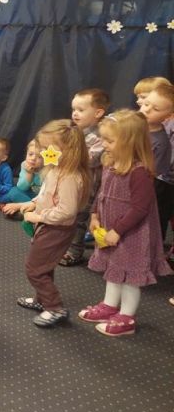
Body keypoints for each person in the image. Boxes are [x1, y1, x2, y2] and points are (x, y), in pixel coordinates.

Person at [79, 110, 171, 336]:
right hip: (110, 228)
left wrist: (118, 231)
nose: (104, 144)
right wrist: (94, 215)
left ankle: (127, 317)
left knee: (130, 277)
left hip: (131, 233)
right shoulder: (110, 162)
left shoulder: (139, 172)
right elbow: (102, 193)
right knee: (113, 269)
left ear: (130, 143)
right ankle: (110, 305)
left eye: (110, 141)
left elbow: (140, 209)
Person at [4, 120, 90, 327]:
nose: (42, 152)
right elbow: (47, 195)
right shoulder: (55, 170)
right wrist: (33, 203)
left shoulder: (69, 177)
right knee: (44, 266)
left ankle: (55, 307)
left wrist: (39, 217)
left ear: (65, 150)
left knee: (34, 269)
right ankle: (42, 299)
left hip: (56, 229)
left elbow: (66, 211)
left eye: (46, 148)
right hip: (47, 226)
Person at [60, 88, 109, 266]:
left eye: (81, 110)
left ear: (98, 113)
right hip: (77, 183)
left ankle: (74, 251)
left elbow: (89, 159)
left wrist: (64, 154)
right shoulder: (77, 130)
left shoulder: (102, 135)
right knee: (75, 216)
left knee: (80, 218)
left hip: (92, 187)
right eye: (74, 109)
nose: (75, 113)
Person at [141, 84, 174, 242]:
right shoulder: (136, 127)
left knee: (155, 218)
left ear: (168, 116)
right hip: (133, 180)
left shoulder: (161, 141)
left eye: (155, 109)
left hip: (158, 183)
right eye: (146, 104)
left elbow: (156, 171)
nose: (146, 110)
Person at [1, 139, 43, 209]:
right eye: (30, 154)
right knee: (13, 192)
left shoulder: (47, 170)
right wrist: (29, 174)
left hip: (43, 197)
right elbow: (22, 187)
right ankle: (30, 207)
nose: (33, 158)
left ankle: (31, 208)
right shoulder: (25, 164)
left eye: (39, 157)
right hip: (31, 195)